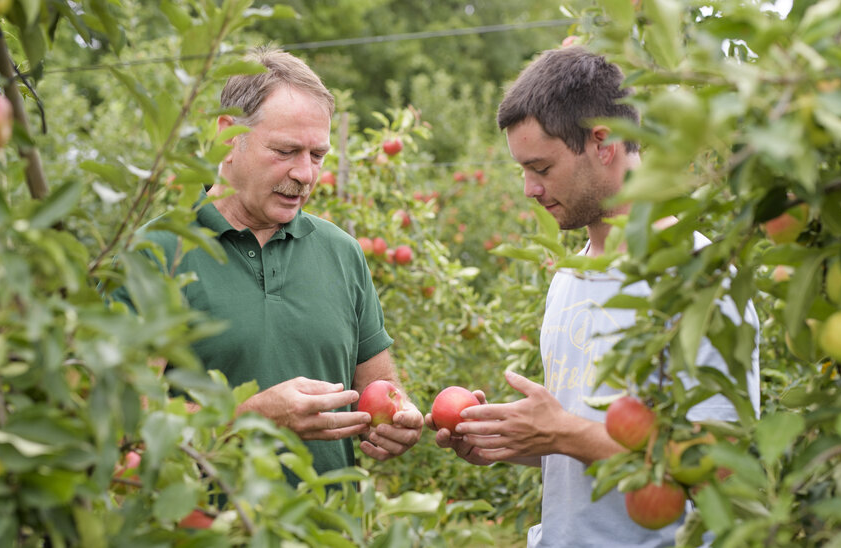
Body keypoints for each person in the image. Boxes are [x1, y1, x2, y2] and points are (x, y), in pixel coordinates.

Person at [425, 46, 760, 547]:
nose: (528, 190)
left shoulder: (699, 280)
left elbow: (723, 469)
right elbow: (590, 440)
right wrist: (511, 438)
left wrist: (561, 433)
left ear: (603, 142)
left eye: (540, 167)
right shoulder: (569, 278)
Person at [117, 46, 422, 483]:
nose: (305, 174)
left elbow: (378, 387)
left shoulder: (341, 252)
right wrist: (248, 417)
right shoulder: (156, 253)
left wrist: (399, 419)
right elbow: (123, 420)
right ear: (227, 136)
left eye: (317, 155)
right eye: (285, 151)